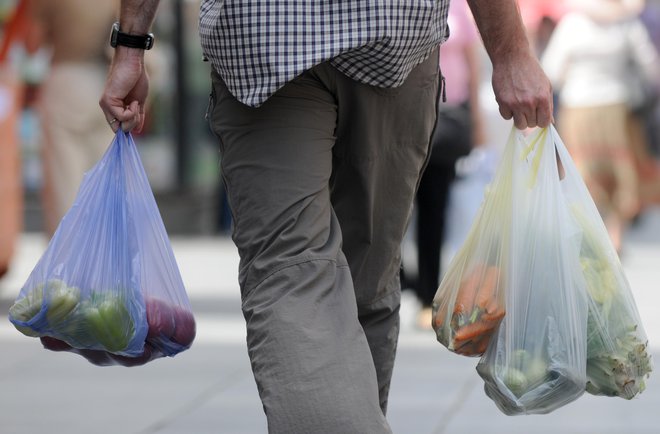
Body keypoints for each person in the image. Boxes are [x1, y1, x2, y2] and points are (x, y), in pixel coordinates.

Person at [94, 1, 552, 432]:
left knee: (317, 275)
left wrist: (131, 46)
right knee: (335, 279)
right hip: (375, 38)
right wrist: (510, 52)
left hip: (274, 38)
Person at [541, 0, 660, 253]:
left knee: (584, 173)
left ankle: (592, 233)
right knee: (621, 173)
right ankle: (614, 234)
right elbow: (650, 66)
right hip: (617, 107)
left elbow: (552, 69)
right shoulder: (626, 24)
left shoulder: (572, 24)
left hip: (579, 107)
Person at [403, 0, 486, 330]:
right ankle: (402, 282)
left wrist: (477, 121)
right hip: (406, 117)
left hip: (448, 119)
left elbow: (472, 65)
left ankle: (427, 295)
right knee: (392, 209)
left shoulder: (459, 10)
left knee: (433, 211)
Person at [25, 0, 119, 237]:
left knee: (63, 181)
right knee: (101, 181)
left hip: (64, 80)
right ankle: (98, 258)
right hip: (105, 81)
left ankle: (65, 264)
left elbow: (31, 44)